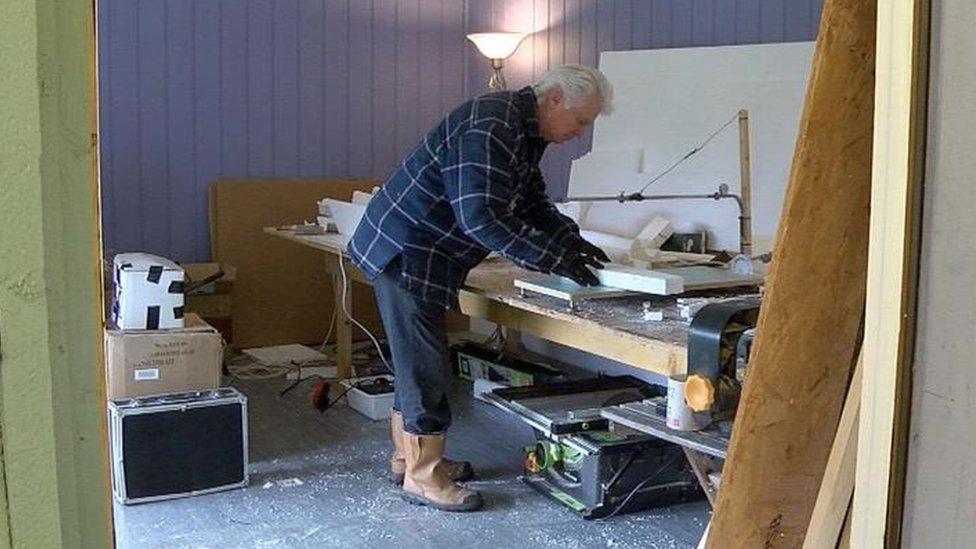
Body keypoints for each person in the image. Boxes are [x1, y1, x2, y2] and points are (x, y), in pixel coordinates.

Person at [347, 65, 613, 512]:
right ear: (554, 100)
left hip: (424, 249)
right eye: (581, 121)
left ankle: (406, 458)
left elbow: (529, 202)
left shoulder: (523, 132)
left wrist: (572, 242)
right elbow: (481, 218)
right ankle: (423, 475)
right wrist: (551, 259)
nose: (581, 132)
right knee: (424, 365)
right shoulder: (493, 124)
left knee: (418, 362)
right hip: (408, 248)